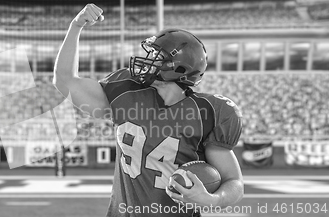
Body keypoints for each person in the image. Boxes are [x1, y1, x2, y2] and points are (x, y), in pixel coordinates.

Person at [53, 4, 244, 217]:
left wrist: (212, 200)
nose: (148, 59)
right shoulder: (127, 91)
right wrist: (76, 26)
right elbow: (64, 81)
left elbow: (233, 181)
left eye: (157, 55)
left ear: (178, 68)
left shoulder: (208, 112)